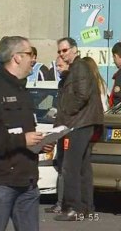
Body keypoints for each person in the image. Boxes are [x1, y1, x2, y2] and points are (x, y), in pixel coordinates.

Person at [0, 36, 54, 231]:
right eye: (29, 54)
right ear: (16, 57)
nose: (33, 59)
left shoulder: (23, 91)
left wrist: (39, 144)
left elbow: (23, 134)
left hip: (26, 180)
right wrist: (22, 140)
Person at [54, 37, 104, 221]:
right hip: (82, 122)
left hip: (79, 123)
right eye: (59, 51)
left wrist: (68, 112)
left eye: (64, 50)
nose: (61, 54)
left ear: (74, 50)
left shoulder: (79, 66)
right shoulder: (76, 68)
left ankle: (74, 208)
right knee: (82, 166)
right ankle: (86, 208)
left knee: (70, 166)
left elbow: (82, 94)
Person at [44, 55, 69, 214]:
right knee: (62, 168)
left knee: (66, 169)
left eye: (60, 66)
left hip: (68, 130)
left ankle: (64, 203)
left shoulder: (71, 83)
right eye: (57, 66)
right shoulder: (62, 83)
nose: (58, 69)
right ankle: (60, 202)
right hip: (59, 129)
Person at [109, 42, 121, 107]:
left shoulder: (119, 74)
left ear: (116, 56)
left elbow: (118, 99)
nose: (114, 61)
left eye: (113, 57)